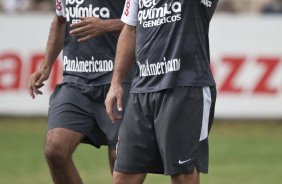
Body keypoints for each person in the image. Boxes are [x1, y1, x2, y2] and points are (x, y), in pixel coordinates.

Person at [105, 0, 218, 183]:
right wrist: (116, 82)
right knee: (123, 176)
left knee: (183, 175)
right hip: (142, 89)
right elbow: (130, 29)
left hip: (184, 87)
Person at [28, 0, 130, 183]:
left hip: (118, 80)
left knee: (121, 161)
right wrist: (45, 66)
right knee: (55, 149)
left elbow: (145, 21)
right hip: (75, 81)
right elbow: (60, 21)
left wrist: (106, 25)